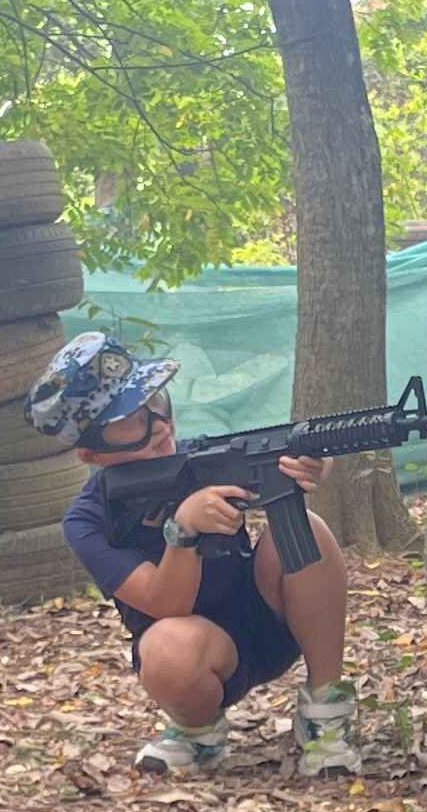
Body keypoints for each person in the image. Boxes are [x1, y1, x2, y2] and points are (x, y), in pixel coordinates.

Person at [28, 332, 358, 777]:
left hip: (270, 623)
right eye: (131, 419)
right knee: (166, 648)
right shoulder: (87, 521)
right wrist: (182, 529)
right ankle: (198, 733)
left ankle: (326, 712)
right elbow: (168, 605)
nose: (159, 423)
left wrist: (310, 463)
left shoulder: (200, 458)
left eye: (157, 402)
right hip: (195, 659)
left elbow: (279, 459)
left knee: (307, 532)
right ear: (92, 452)